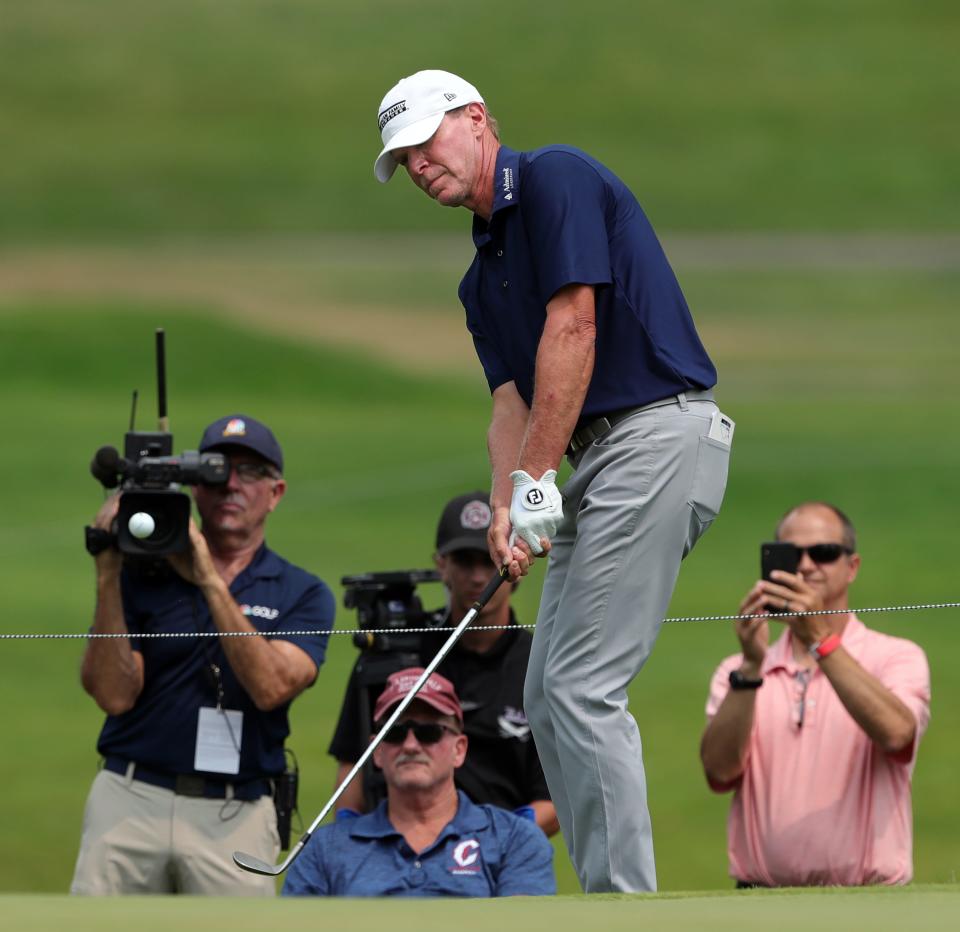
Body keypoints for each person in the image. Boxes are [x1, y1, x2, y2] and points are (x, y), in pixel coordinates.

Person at [372, 69, 732, 892]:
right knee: (544, 686)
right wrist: (505, 506)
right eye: (405, 160)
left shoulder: (554, 177)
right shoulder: (478, 277)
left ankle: (620, 902)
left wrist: (537, 484)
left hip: (655, 433)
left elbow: (574, 326)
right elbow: (510, 403)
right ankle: (599, 891)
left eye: (426, 142)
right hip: (598, 458)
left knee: (580, 685)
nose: (420, 167)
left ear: (476, 119)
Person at [71, 414, 335, 895]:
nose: (231, 485)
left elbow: (272, 687)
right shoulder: (142, 574)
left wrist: (208, 578)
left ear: (276, 493)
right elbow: (112, 695)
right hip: (131, 797)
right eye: (216, 470)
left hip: (235, 812)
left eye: (251, 473)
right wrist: (109, 574)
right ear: (193, 487)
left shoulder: (304, 592)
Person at [700, 502, 931, 887]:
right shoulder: (738, 671)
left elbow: (896, 734)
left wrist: (820, 641)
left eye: (823, 553)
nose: (807, 566)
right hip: (761, 902)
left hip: (869, 903)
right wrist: (752, 669)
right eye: (793, 555)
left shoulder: (895, 657)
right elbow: (719, 772)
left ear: (851, 567)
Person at [329, 491, 558, 836]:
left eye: (489, 560)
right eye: (465, 561)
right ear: (441, 566)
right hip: (395, 846)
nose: (479, 577)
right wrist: (352, 836)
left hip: (497, 853)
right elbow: (353, 763)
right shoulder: (397, 651)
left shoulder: (541, 664)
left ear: (518, 565)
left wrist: (495, 840)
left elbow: (556, 800)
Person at [283, 668, 555, 897]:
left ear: (459, 749)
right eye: (395, 732)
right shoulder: (325, 849)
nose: (411, 745)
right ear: (376, 751)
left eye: (429, 732)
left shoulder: (515, 841)